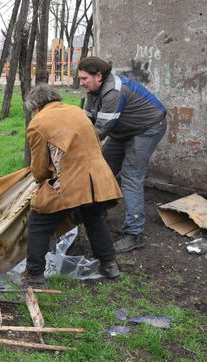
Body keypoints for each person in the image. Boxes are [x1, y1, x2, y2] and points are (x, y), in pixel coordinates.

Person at [14, 84, 123, 289]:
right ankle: (110, 265)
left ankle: (35, 276)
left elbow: (39, 168)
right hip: (99, 181)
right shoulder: (77, 112)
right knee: (94, 219)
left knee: (38, 223)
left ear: (36, 106)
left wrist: (41, 184)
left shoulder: (38, 123)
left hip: (68, 183)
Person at [78, 56, 167, 253]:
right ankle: (98, 215)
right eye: (81, 78)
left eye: (84, 78)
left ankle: (134, 234)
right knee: (101, 168)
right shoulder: (93, 90)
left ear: (98, 76)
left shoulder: (113, 92)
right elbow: (88, 120)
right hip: (123, 130)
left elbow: (99, 131)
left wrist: (73, 148)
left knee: (130, 176)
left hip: (147, 128)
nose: (81, 82)